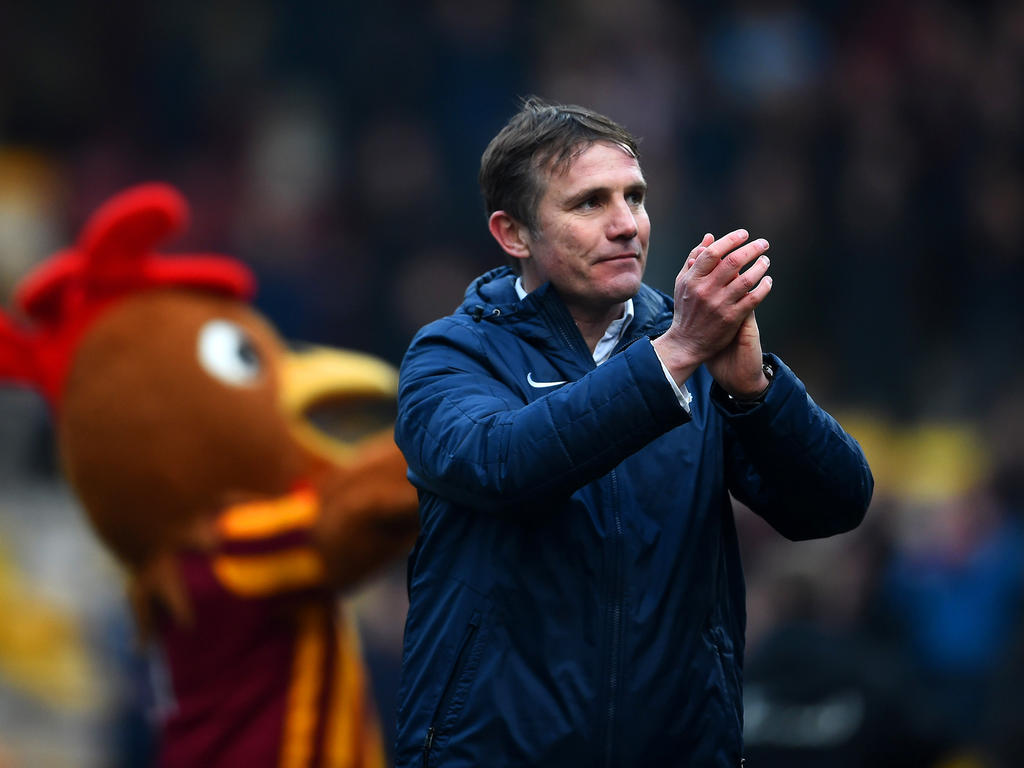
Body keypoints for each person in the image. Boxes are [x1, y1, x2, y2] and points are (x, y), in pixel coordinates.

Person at [392, 97, 873, 767]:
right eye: (589, 203)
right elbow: (502, 463)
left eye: (635, 197)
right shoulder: (451, 356)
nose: (626, 225)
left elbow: (837, 504)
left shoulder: (698, 353)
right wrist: (672, 357)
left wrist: (754, 390)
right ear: (513, 233)